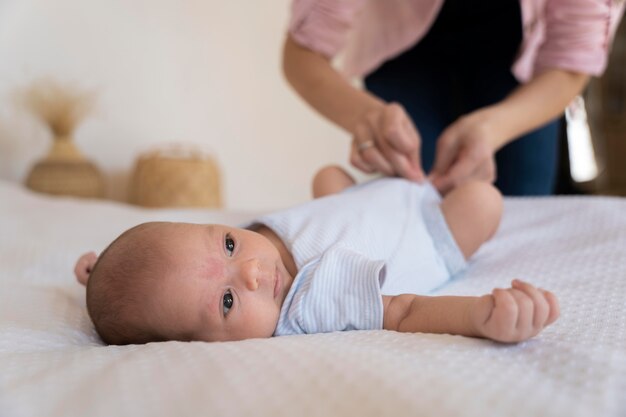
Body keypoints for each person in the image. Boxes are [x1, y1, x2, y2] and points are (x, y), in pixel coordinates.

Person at [74, 167, 559, 345]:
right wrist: (479, 316)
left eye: (227, 244)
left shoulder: (244, 250)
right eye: (226, 302)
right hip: (424, 228)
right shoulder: (309, 301)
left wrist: (106, 272)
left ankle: (400, 180)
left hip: (361, 198)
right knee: (483, 199)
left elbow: (167, 274)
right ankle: (444, 191)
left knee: (328, 176)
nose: (253, 272)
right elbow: (404, 311)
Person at [282, 0, 626, 195]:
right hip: (403, 54)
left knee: (523, 198)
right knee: (420, 195)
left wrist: (492, 127)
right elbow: (302, 53)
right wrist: (365, 116)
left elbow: (571, 62)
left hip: (519, 60)